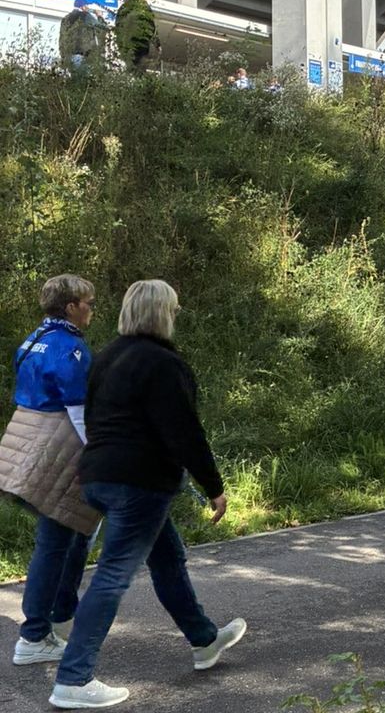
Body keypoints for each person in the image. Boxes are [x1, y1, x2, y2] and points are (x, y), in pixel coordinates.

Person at [50, 280, 245, 710]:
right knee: (113, 575)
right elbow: (183, 432)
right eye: (173, 309)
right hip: (139, 484)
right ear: (162, 314)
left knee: (168, 559)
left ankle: (205, 641)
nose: (175, 315)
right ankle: (73, 679)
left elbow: (96, 421)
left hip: (98, 476)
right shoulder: (164, 363)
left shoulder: (106, 358)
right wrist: (213, 486)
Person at [0, 275, 100, 668]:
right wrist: (97, 452)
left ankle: (56, 618)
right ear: (71, 305)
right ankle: (35, 634)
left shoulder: (31, 340)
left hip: (24, 439)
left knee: (72, 535)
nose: (91, 308)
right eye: (88, 302)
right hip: (58, 448)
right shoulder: (71, 348)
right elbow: (78, 409)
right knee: (55, 541)